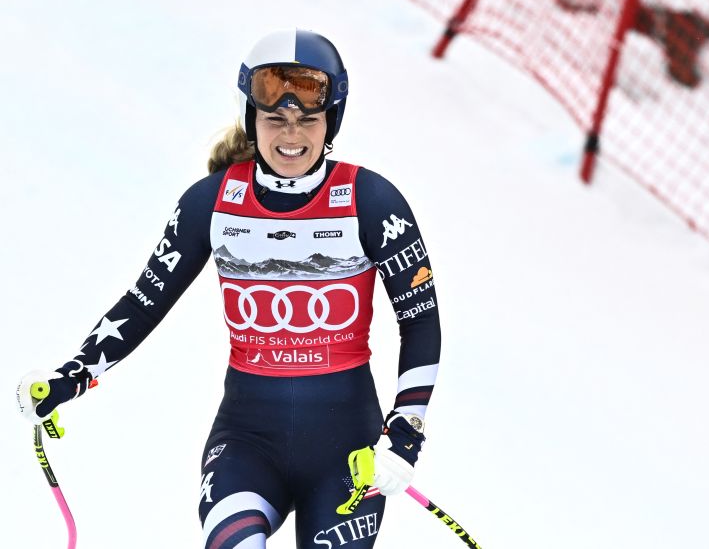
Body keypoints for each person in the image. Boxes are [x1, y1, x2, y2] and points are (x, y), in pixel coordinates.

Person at [16, 28, 441, 549]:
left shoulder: (372, 200)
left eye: (308, 119)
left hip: (347, 452)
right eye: (275, 119)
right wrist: (71, 376)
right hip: (246, 445)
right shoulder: (210, 203)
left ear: (331, 120)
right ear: (251, 118)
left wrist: (405, 433)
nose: (291, 134)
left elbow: (421, 322)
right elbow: (144, 304)